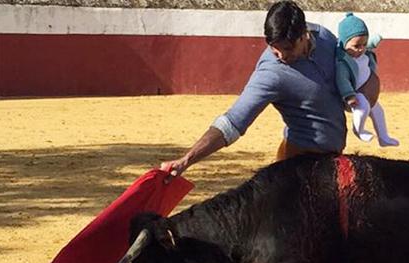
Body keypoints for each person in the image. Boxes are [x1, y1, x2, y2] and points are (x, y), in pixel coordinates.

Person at [161, 1, 379, 179]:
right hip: (297, 167)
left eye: (286, 48)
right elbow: (233, 122)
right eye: (274, 48)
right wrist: (187, 159)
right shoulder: (271, 73)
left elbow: (349, 77)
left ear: (304, 35)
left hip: (332, 161)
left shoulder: (324, 37)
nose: (281, 56)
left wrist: (369, 87)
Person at [335, 13, 399, 148]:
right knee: (363, 106)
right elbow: (342, 80)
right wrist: (349, 95)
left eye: (364, 45)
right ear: (344, 43)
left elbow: (369, 43)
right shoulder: (343, 61)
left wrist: (376, 39)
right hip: (354, 96)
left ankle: (383, 137)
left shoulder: (363, 52)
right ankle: (359, 130)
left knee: (378, 110)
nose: (361, 49)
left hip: (368, 95)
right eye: (356, 46)